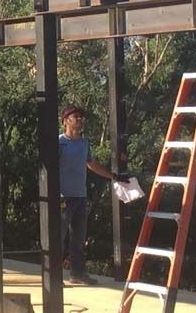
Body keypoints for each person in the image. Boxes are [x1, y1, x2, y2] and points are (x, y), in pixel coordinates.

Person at [59, 105, 129, 286]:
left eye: (81, 117)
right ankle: (53, 275)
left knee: (78, 238)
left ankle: (77, 274)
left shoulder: (84, 143)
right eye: (76, 117)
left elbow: (91, 163)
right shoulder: (59, 143)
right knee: (58, 237)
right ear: (65, 120)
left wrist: (113, 176)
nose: (80, 120)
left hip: (80, 196)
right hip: (62, 197)